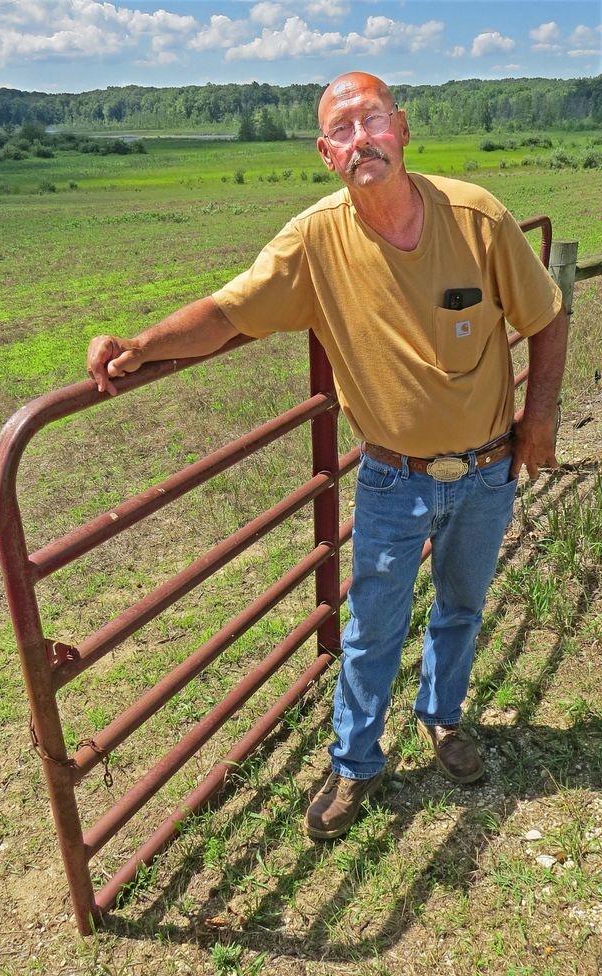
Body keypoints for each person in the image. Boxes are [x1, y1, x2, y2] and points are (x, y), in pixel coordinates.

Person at [87, 72, 567, 841]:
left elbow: (546, 313)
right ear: (324, 153)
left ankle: (441, 719)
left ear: (403, 128)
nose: (360, 139)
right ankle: (353, 763)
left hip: (485, 470)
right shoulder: (315, 239)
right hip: (391, 477)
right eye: (341, 131)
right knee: (373, 626)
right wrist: (139, 348)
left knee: (462, 607)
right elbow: (225, 311)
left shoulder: (477, 218)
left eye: (371, 119)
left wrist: (539, 417)